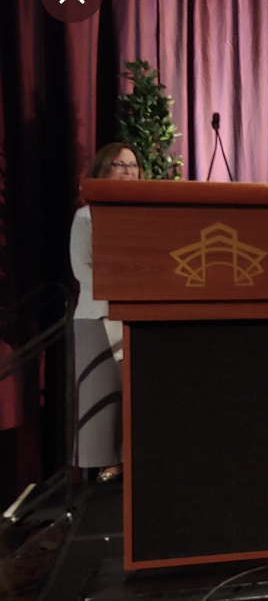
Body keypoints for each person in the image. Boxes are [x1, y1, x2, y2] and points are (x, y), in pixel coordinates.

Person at [70, 142, 144, 483]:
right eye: (119, 165)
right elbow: (82, 268)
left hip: (139, 313)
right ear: (102, 171)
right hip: (98, 315)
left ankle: (138, 462)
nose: (128, 171)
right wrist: (120, 292)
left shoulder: (149, 216)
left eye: (133, 165)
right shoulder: (87, 216)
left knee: (138, 396)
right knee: (104, 397)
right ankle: (110, 467)